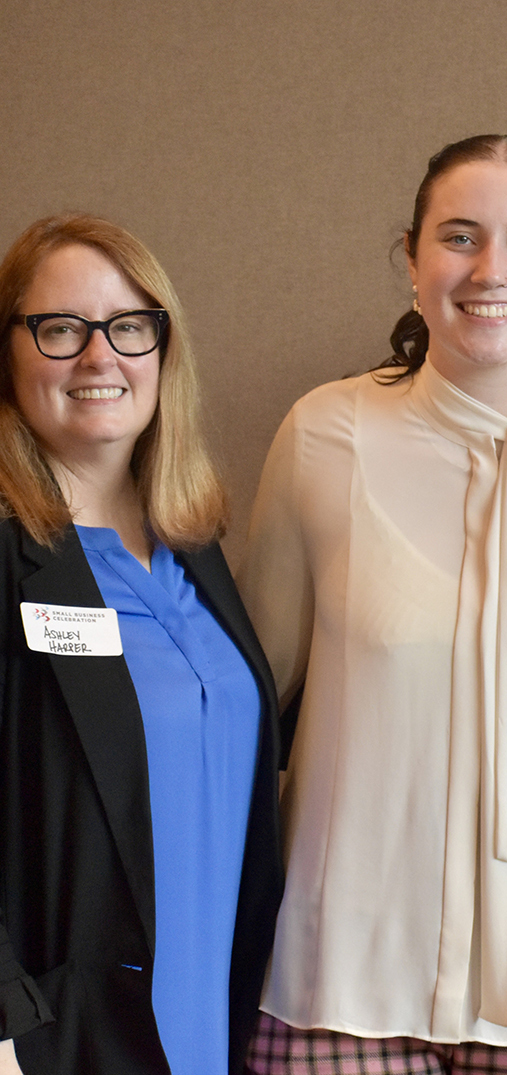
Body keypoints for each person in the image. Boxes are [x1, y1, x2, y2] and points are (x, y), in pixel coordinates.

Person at [237, 135, 507, 1075]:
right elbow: (248, 700)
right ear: (411, 258)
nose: (491, 270)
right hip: (343, 982)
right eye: (460, 237)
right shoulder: (326, 434)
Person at [0, 214, 282, 1074]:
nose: (100, 358)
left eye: (129, 327)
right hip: (62, 1038)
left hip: (202, 1030)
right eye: (60, 329)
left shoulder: (193, 550)